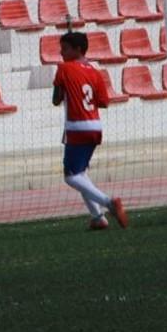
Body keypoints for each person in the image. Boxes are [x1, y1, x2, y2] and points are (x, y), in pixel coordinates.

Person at [52, 31, 129, 231]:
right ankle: (97, 217)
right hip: (95, 125)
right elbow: (103, 102)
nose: (61, 52)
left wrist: (65, 88)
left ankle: (109, 203)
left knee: (71, 177)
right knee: (81, 173)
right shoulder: (95, 72)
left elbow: (56, 99)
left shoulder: (64, 69)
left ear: (77, 49)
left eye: (65, 48)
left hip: (76, 126)